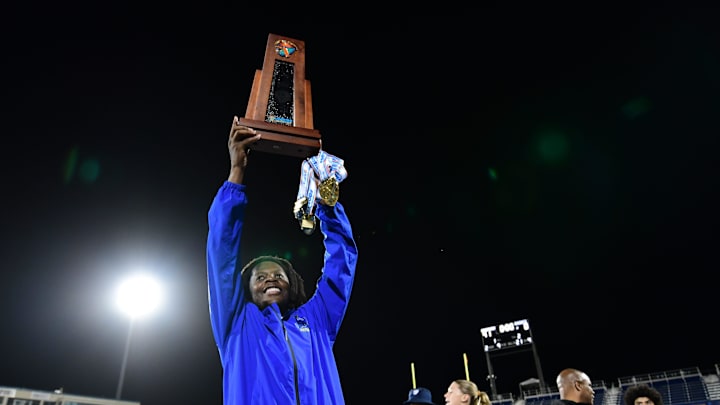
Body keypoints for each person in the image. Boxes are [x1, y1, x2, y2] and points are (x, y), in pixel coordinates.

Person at [206, 118, 359, 405]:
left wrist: (327, 206)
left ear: (292, 284)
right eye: (260, 277)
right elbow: (221, 251)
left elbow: (342, 264)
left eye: (278, 274)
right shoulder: (236, 323)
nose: (271, 278)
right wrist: (236, 170)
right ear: (246, 290)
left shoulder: (316, 321)